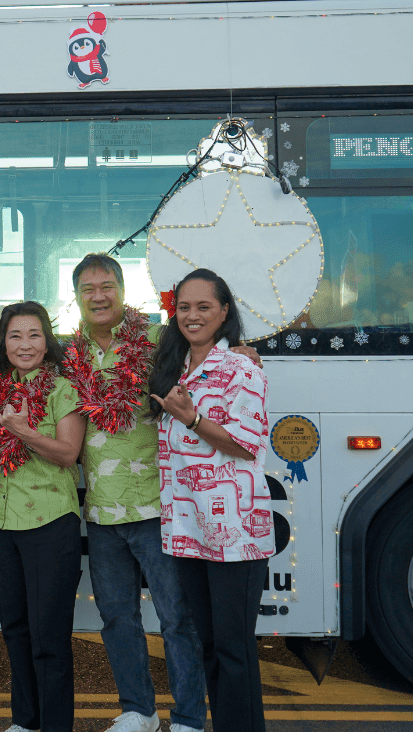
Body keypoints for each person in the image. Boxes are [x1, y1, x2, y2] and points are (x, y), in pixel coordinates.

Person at [64, 253, 207, 732]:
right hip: (100, 509)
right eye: (88, 288)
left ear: (123, 291)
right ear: (77, 296)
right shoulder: (70, 352)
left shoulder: (158, 340)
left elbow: (207, 355)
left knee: (176, 618)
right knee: (118, 619)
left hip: (157, 504)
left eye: (107, 286)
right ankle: (138, 712)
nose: (98, 296)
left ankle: (188, 717)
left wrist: (240, 347)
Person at [150, 268, 273, 732]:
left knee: (234, 649)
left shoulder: (243, 368)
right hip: (187, 530)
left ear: (224, 312)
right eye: (184, 307)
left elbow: (247, 444)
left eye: (204, 306)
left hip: (235, 532)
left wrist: (193, 417)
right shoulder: (173, 365)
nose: (193, 315)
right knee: (209, 646)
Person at [0, 302, 86, 732]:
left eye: (34, 335)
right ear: (3, 342)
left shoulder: (63, 389)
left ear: (47, 340)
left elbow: (68, 454)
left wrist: (23, 431)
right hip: (0, 524)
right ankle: (26, 721)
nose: (25, 344)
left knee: (49, 637)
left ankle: (55, 725)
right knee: (15, 631)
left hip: (50, 525)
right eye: (15, 335)